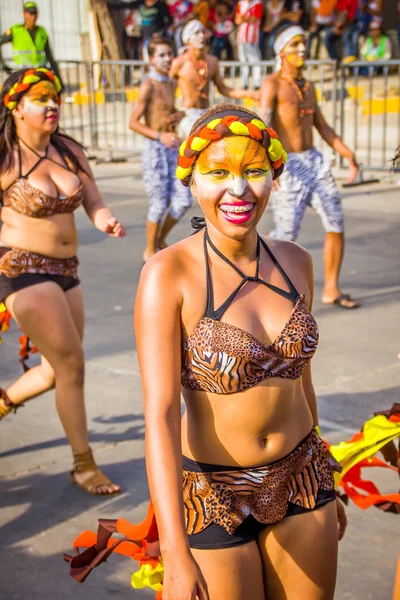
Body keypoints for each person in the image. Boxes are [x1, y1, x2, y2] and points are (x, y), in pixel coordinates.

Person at [65, 101, 347, 599]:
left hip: (304, 478)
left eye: (254, 171)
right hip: (213, 496)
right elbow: (161, 415)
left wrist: (324, 475)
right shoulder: (167, 275)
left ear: (273, 177)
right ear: (192, 182)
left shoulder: (296, 262)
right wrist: (174, 550)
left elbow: (302, 381)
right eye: (219, 172)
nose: (238, 189)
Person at [0, 68, 125, 495]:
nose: (52, 104)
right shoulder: (4, 155)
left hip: (67, 270)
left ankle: (2, 402)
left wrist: (104, 219)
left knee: (56, 371)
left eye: (55, 97)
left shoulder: (68, 150)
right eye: (40, 98)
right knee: (73, 363)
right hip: (19, 268)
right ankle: (83, 464)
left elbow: (93, 199)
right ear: (15, 107)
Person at [259, 26, 360, 309]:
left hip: (314, 161)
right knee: (286, 235)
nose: (302, 50)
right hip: (287, 165)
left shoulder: (309, 86)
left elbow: (322, 126)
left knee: (336, 221)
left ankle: (331, 289)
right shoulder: (272, 85)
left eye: (303, 45)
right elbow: (263, 128)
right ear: (282, 52)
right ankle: (271, 291)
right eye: (295, 45)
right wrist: (270, 166)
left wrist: (346, 152)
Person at [129, 37, 192, 262]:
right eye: (162, 55)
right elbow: (133, 122)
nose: (167, 59)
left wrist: (180, 114)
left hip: (172, 148)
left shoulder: (170, 82)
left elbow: (169, 109)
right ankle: (150, 251)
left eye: (169, 54)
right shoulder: (148, 85)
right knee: (159, 202)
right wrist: (159, 135)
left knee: (184, 198)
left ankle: (159, 239)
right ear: (151, 59)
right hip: (155, 149)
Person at [170, 19, 259, 139]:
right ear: (187, 40)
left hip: (206, 112)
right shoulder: (179, 62)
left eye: (202, 32)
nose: (201, 36)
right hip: (188, 113)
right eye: (196, 33)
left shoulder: (212, 61)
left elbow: (223, 88)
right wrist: (173, 111)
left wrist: (250, 94)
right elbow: (167, 87)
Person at [0, 2, 62, 81]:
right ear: (24, 14)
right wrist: (3, 64)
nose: (33, 17)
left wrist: (59, 77)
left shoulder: (42, 32)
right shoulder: (15, 31)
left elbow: (49, 56)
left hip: (39, 73)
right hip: (21, 75)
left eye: (35, 14)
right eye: (31, 14)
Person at [234, 0, 264, 89]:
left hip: (252, 37)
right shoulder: (241, 3)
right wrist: (246, 18)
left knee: (255, 59)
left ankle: (257, 82)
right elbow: (237, 20)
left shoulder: (257, 3)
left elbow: (253, 19)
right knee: (243, 60)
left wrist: (243, 18)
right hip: (241, 37)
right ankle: (244, 83)